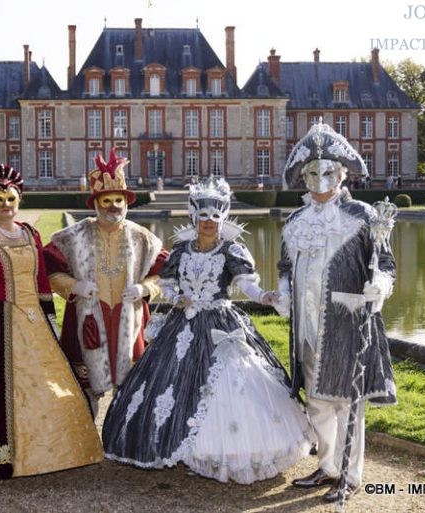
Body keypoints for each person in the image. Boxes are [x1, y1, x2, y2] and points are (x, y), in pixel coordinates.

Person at [102, 177, 313, 484]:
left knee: (234, 381)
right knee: (167, 385)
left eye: (215, 217)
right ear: (194, 217)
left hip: (220, 322)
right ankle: (183, 446)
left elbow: (246, 285)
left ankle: (226, 449)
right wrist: (178, 298)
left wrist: (265, 296)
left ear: (222, 218)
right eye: (203, 217)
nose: (209, 222)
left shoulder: (231, 250)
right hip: (182, 324)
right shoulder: (180, 251)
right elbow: (167, 285)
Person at [0, 164, 103, 480]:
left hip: (35, 320)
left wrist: (52, 321)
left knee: (53, 382)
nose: (5, 206)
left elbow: (42, 280)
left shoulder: (30, 233)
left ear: (20, 200)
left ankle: (56, 453)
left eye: (11, 199)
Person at [276, 122, 397, 502]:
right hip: (306, 327)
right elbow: (283, 267)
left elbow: (386, 264)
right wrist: (281, 293)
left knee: (347, 401)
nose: (319, 179)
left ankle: (350, 473)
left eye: (328, 170)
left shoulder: (363, 217)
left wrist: (380, 286)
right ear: (302, 176)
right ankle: (328, 466)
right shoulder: (294, 222)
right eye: (311, 172)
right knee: (316, 399)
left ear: (342, 173)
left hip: (346, 322)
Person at [43, 148, 168, 414]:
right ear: (96, 203)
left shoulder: (144, 238)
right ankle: (87, 442)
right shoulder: (73, 236)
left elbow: (166, 274)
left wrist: (145, 288)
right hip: (86, 319)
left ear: (126, 202)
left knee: (133, 390)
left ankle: (126, 442)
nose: (113, 206)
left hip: (131, 319)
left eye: (118, 200)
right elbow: (50, 271)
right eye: (106, 200)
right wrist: (74, 286)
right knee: (86, 390)